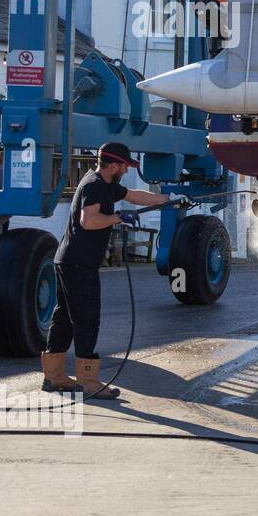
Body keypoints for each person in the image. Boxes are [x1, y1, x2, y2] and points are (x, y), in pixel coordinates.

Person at [41, 142, 172, 396]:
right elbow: (88, 221)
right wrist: (118, 218)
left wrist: (167, 200)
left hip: (68, 260)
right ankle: (88, 381)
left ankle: (54, 376)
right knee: (87, 319)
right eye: (124, 166)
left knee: (65, 319)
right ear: (113, 165)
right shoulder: (94, 186)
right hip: (79, 264)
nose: (126, 170)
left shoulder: (104, 183)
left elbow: (134, 195)